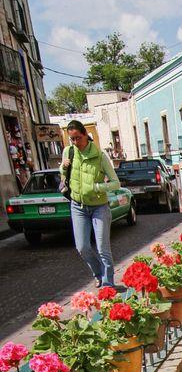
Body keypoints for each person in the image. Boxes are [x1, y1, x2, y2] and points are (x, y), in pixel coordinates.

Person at [60, 119, 120, 288]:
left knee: (102, 247)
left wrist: (97, 187)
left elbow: (116, 183)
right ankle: (98, 273)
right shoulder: (69, 152)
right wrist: (63, 167)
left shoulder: (100, 156)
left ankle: (108, 284)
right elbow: (63, 174)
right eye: (72, 139)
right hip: (77, 206)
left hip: (99, 206)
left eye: (78, 138)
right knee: (82, 247)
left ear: (86, 135)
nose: (75, 142)